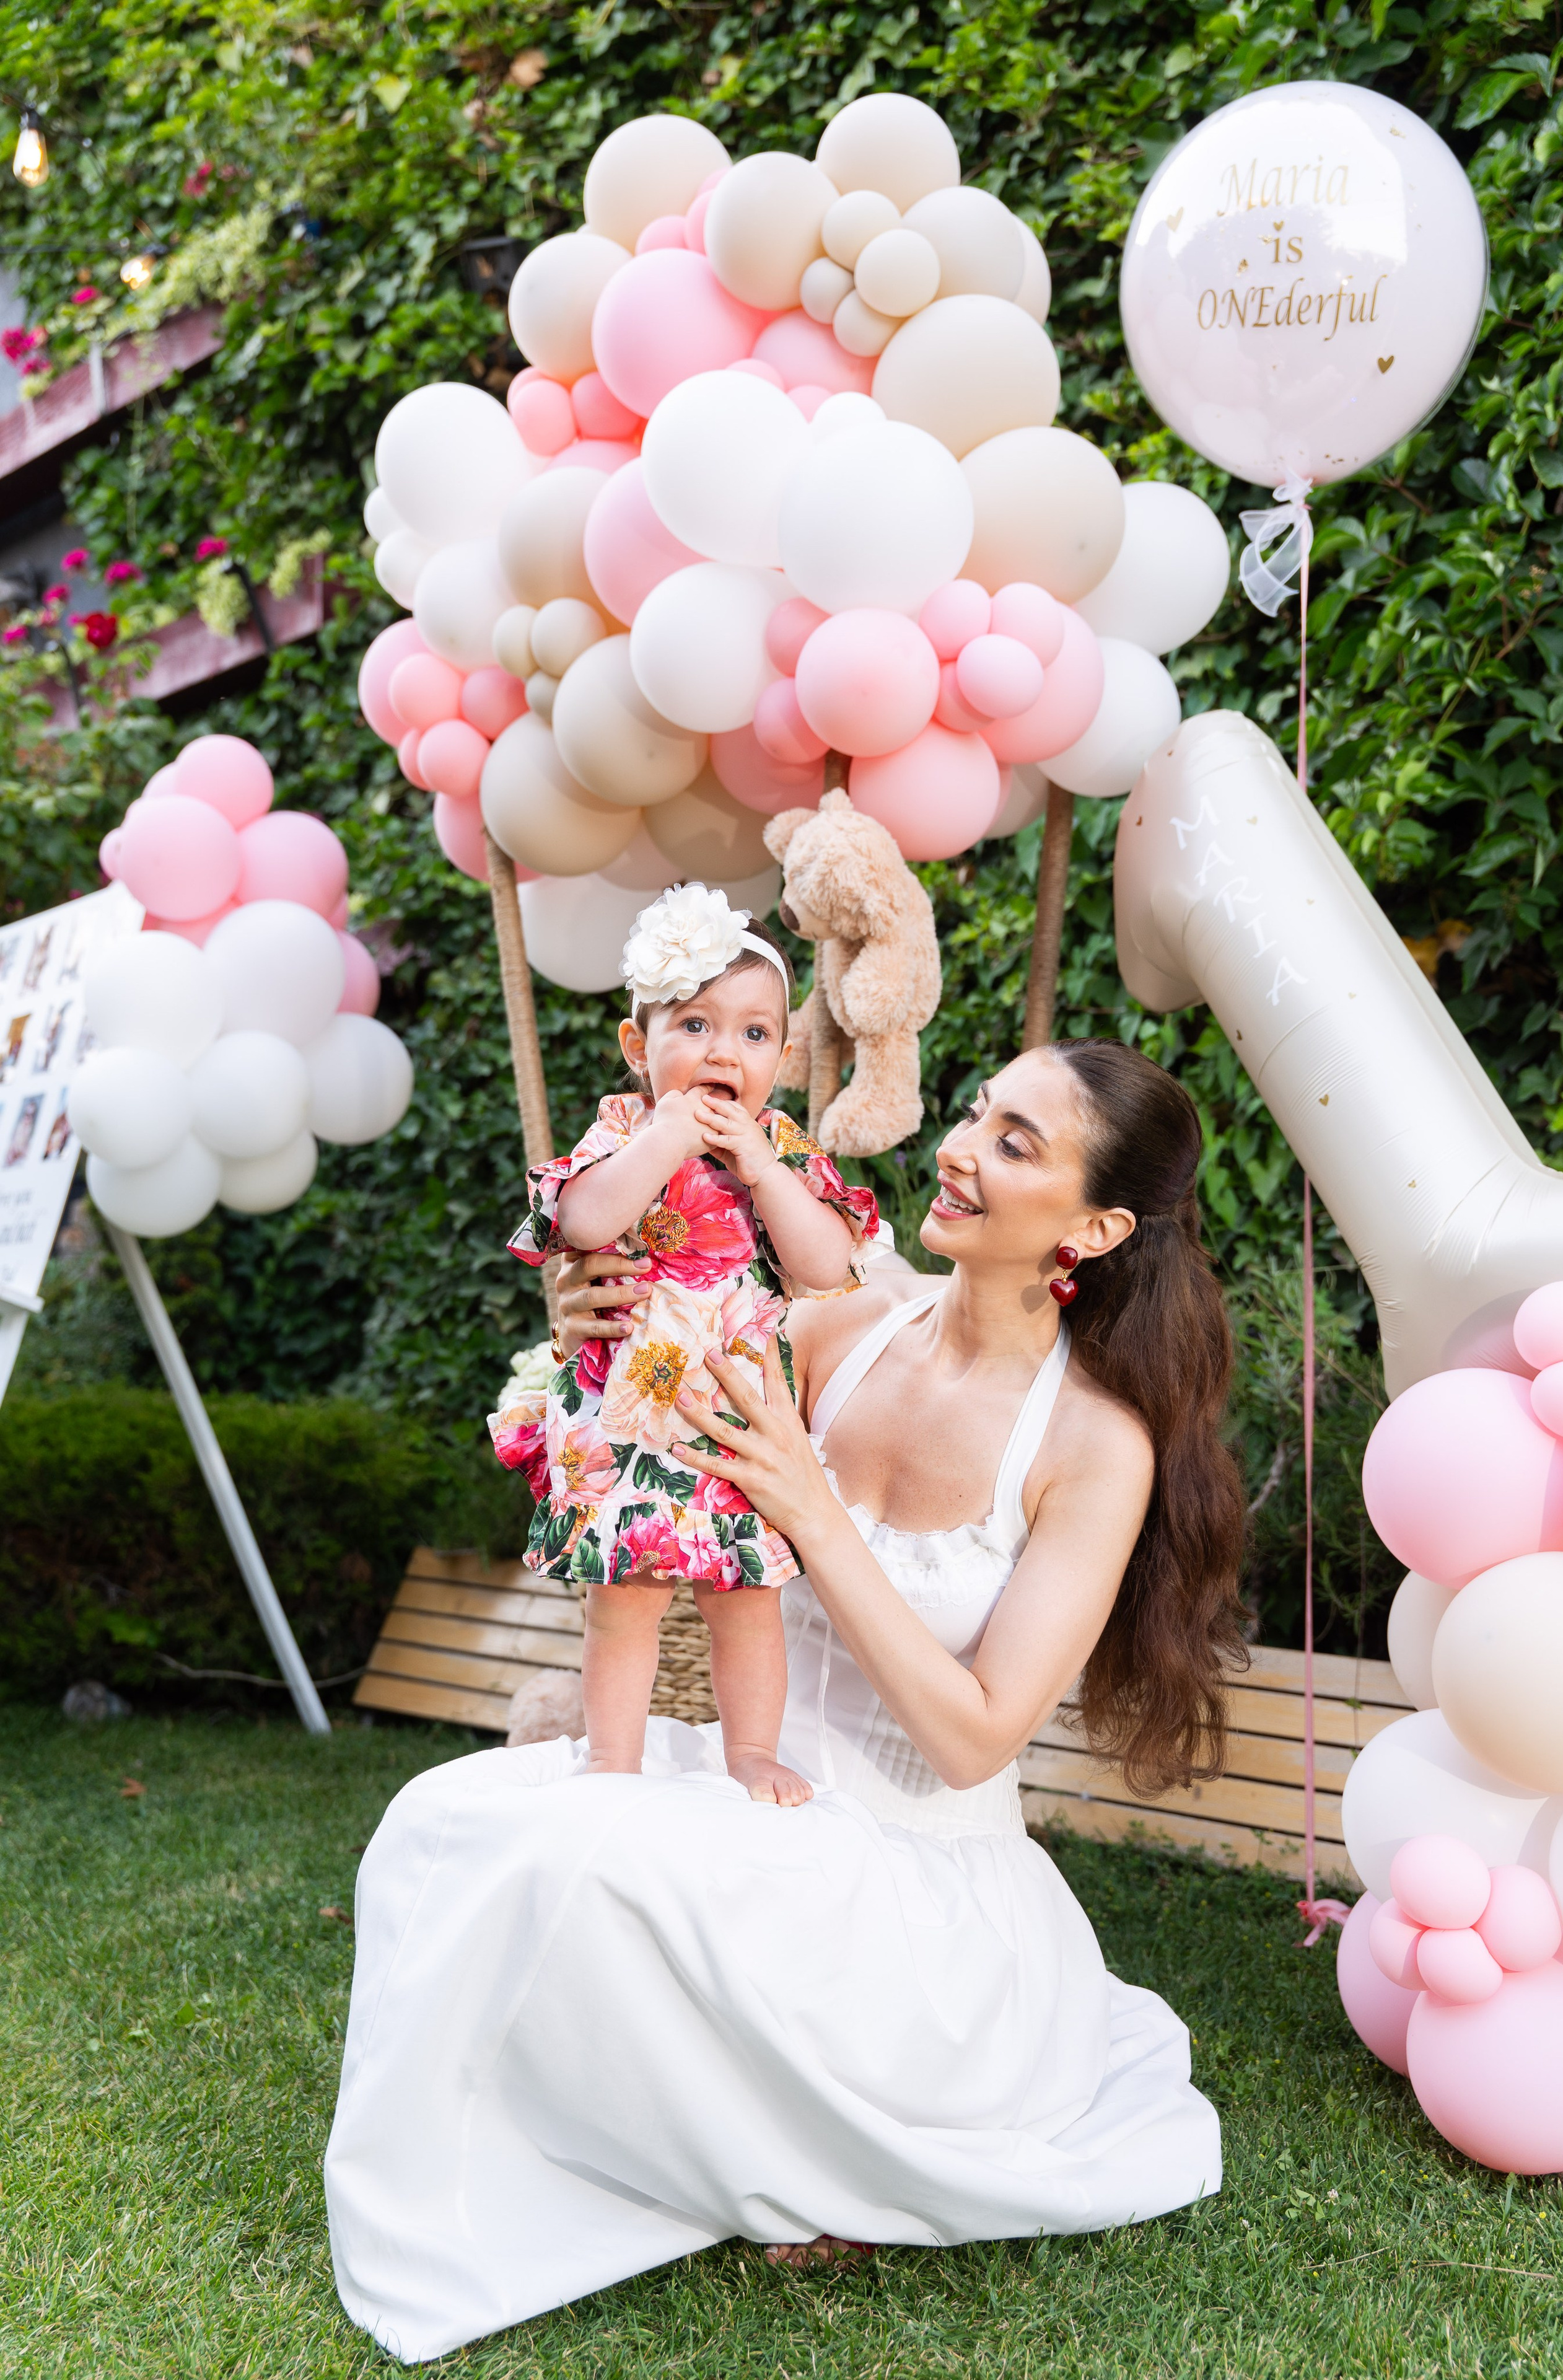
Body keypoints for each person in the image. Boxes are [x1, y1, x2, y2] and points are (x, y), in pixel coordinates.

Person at [325, 1038, 1247, 2365]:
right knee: (446, 1815)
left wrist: (815, 1511)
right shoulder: (838, 1328)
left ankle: (761, 2128)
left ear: (1097, 1226)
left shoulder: (1093, 1444)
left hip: (916, 1888)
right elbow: (650, 1405)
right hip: (752, 1785)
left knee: (601, 1852)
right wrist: (590, 1323)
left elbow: (974, 1732)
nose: (960, 1149)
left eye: (1014, 1142)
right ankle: (557, 2128)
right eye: (976, 1115)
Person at [491, 882, 877, 1799]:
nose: (723, 1051)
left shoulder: (779, 1147)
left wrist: (761, 1169)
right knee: (624, 1598)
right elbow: (583, 1220)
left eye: (752, 1034)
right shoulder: (626, 1128)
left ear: (780, 1057)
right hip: (626, 1419)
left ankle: (748, 1750)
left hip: (732, 1421)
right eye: (695, 1025)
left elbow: (825, 1264)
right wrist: (666, 1140)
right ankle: (613, 1759)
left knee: (745, 1598)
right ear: (640, 1047)